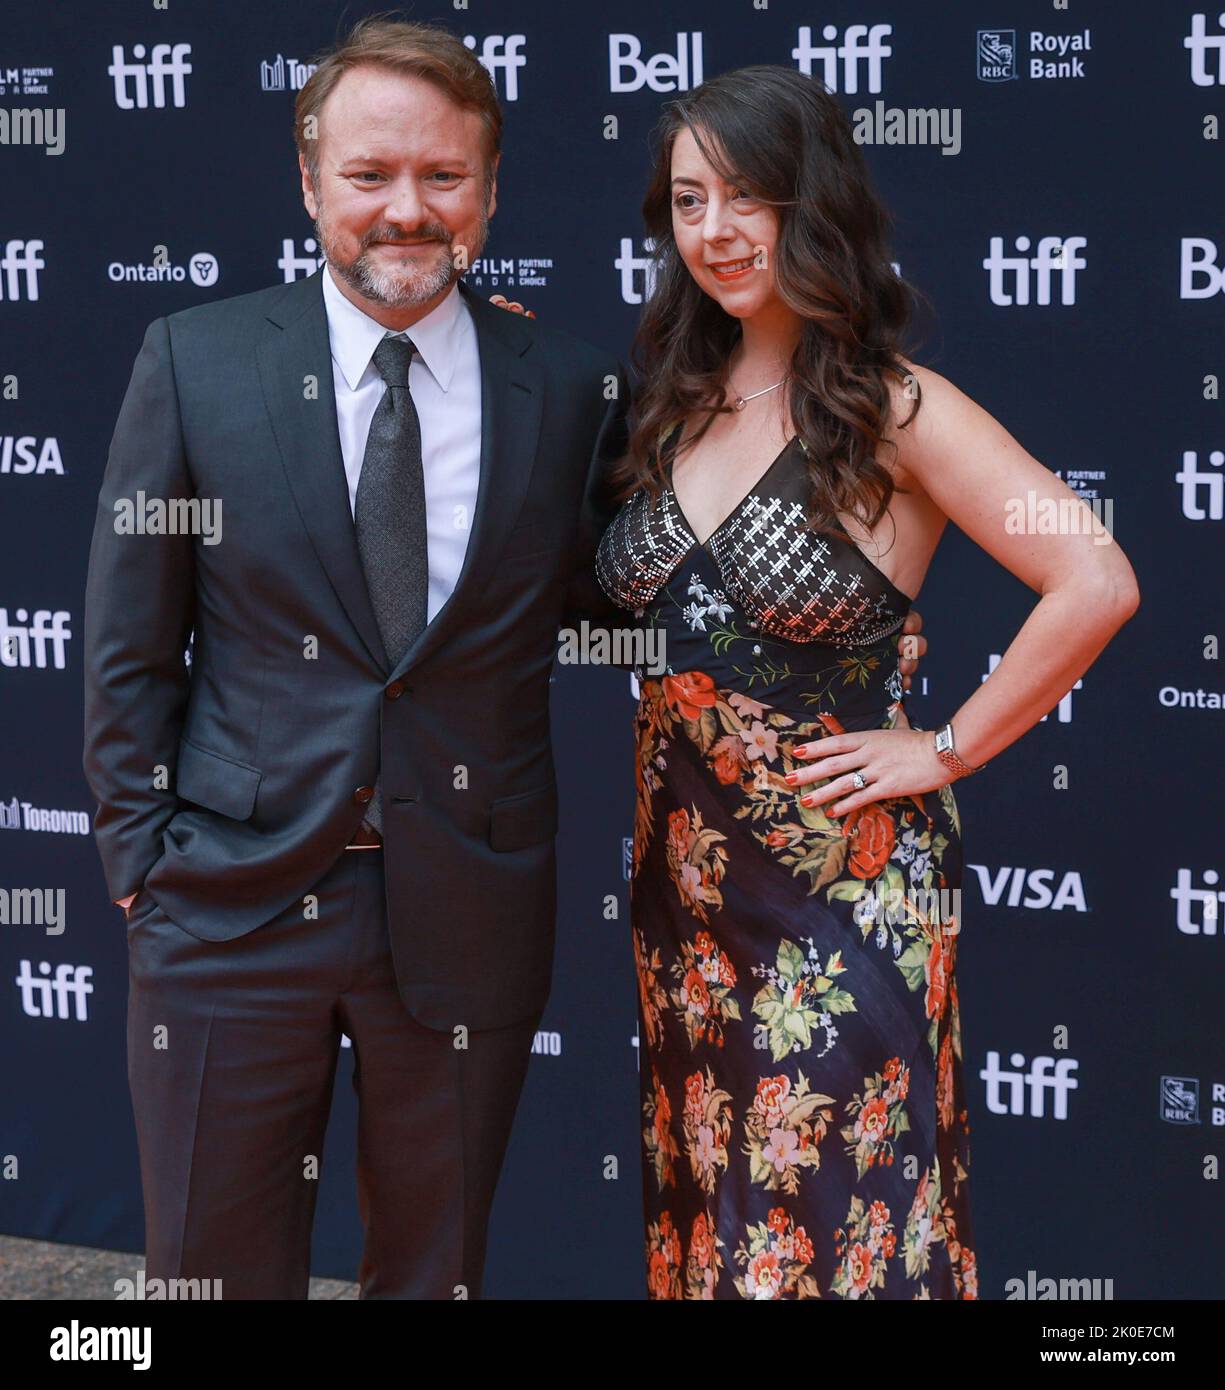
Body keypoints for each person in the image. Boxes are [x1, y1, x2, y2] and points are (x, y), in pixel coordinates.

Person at [82, 16, 650, 1300]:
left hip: (466, 904)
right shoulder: (199, 361)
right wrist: (139, 864)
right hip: (226, 905)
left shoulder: (567, 388)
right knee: (208, 1281)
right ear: (308, 183)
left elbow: (615, 602)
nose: (407, 209)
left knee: (435, 1271)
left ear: (491, 192)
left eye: (443, 177)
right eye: (369, 175)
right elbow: (127, 642)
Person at [592, 66, 1139, 1299]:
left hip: (845, 892)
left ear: (812, 202)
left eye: (749, 196)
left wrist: (940, 749)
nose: (717, 230)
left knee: (842, 1225)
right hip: (681, 894)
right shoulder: (668, 406)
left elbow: (1094, 579)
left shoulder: (895, 407)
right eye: (688, 202)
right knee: (715, 1217)